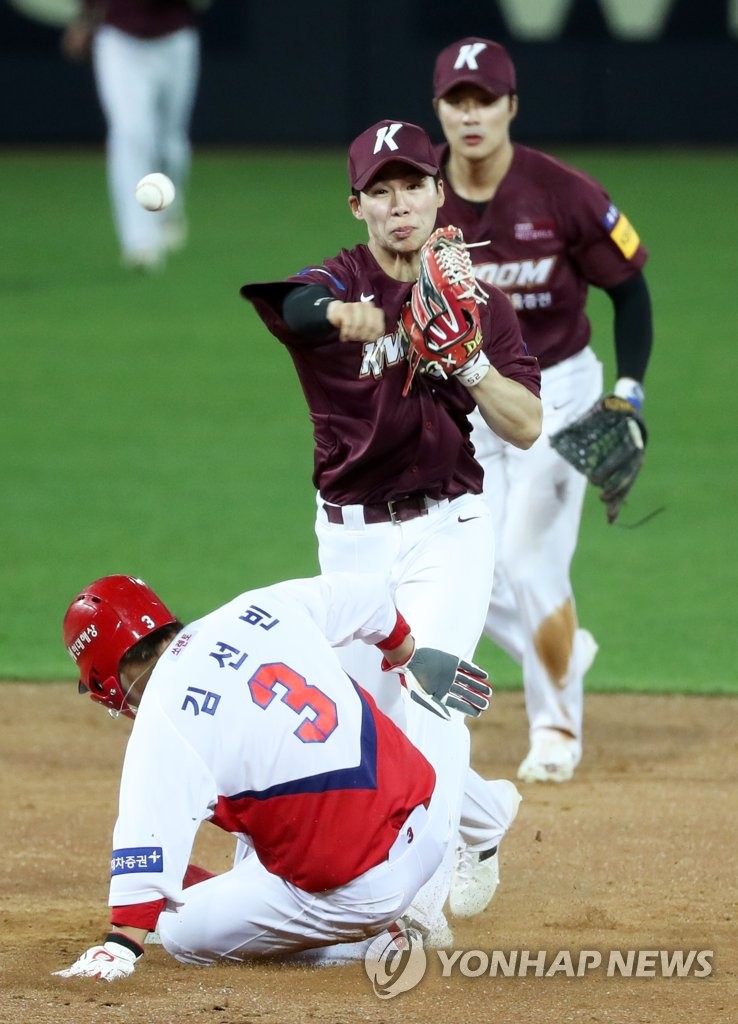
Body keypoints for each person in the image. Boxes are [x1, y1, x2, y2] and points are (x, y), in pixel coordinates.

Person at [240, 119, 541, 929]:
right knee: (356, 724)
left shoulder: (479, 302)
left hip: (450, 529)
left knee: (429, 694)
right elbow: (292, 307)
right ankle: (485, 819)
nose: (400, 203)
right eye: (382, 190)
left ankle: (420, 900)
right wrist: (347, 319)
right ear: (357, 206)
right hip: (350, 541)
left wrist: (470, 362)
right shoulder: (335, 280)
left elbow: (527, 425)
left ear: (440, 193)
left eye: (413, 184)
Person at [53, 570, 504, 978]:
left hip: (367, 892)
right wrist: (405, 654)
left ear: (104, 684)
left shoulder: (162, 719)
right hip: (429, 828)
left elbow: (143, 848)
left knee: (176, 929)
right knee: (261, 783)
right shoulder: (258, 606)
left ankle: (373, 944)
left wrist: (119, 947)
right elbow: (368, 596)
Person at [430, 38, 654, 783]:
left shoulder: (562, 192)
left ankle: (556, 729)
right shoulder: (421, 191)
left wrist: (629, 389)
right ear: (439, 110)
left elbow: (629, 289)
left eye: (484, 99)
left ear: (510, 108)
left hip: (558, 393)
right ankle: (557, 649)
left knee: (531, 561)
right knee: (469, 567)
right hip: (469, 397)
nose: (470, 114)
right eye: (457, 100)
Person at [61, 1, 208, 270]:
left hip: (174, 38)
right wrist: (84, 20)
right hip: (119, 40)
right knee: (130, 134)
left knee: (170, 145)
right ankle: (140, 243)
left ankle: (168, 209)